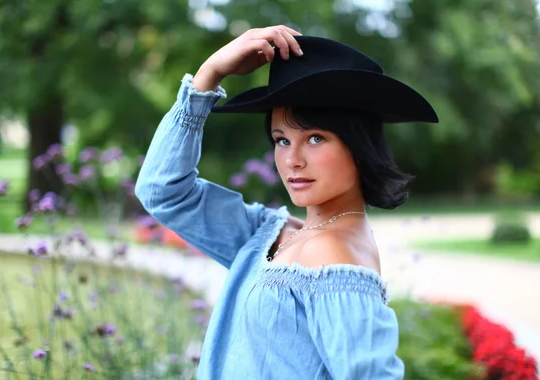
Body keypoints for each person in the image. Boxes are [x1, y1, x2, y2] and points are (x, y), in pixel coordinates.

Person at [135, 25, 438, 379]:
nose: (292, 159)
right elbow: (164, 192)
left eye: (314, 138)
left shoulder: (334, 257)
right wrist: (208, 75)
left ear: (358, 147)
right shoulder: (271, 235)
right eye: (281, 140)